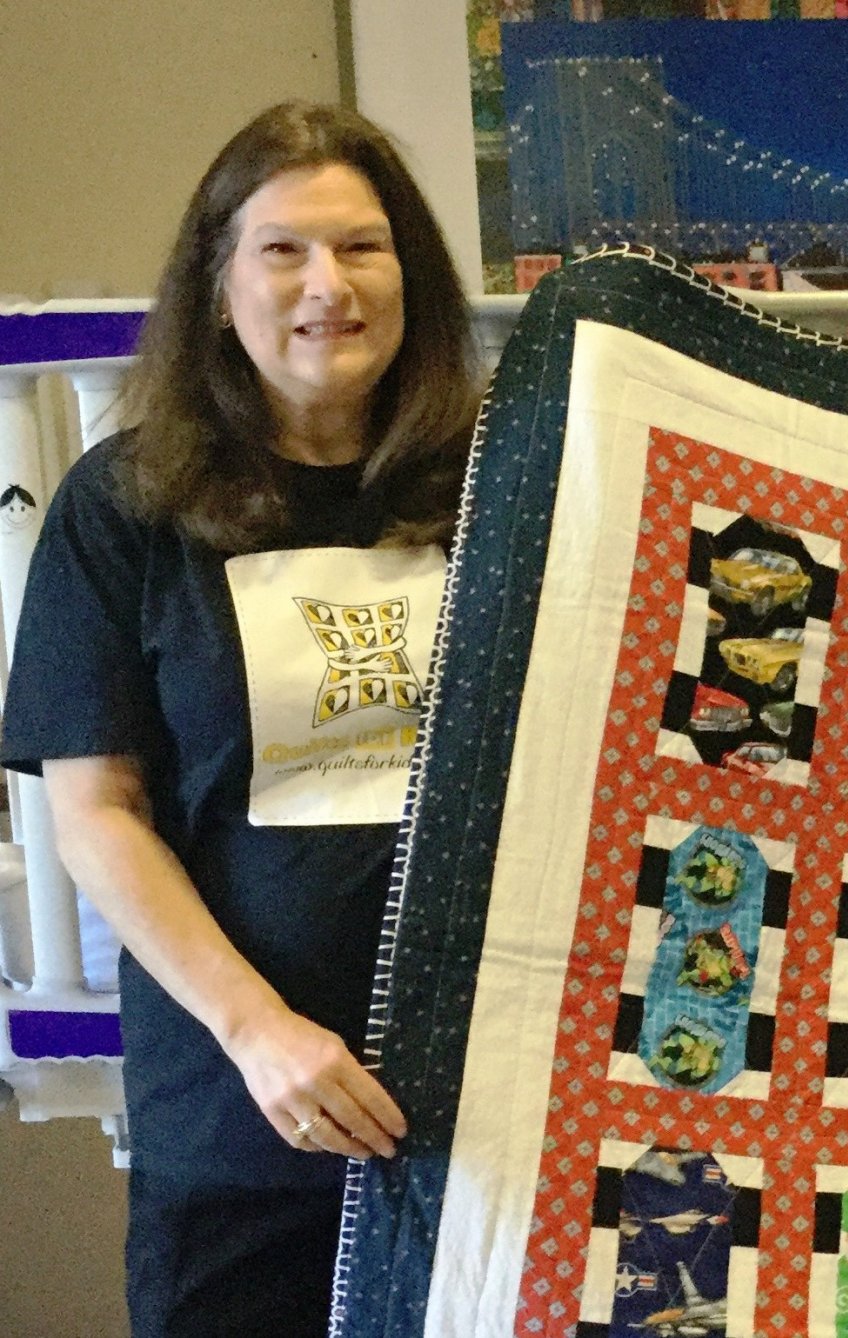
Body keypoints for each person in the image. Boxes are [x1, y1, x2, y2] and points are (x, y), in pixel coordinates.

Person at [1, 102, 480, 1336]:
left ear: (411, 279)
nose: (329, 285)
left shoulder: (507, 482)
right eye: (283, 251)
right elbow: (96, 815)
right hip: (240, 1118)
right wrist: (262, 1034)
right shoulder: (126, 508)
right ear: (218, 288)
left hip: (486, 1108)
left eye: (363, 249)